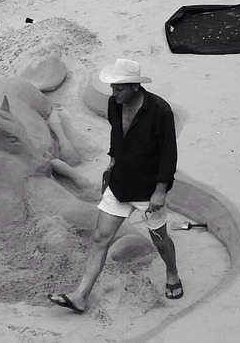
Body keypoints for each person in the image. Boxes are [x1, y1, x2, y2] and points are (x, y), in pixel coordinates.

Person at [48, 58, 182, 314]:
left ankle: (172, 273)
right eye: (112, 88)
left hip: (148, 188)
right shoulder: (114, 104)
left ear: (134, 87)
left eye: (119, 89)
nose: (113, 93)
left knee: (160, 239)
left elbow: (169, 153)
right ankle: (80, 296)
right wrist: (111, 162)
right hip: (120, 183)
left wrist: (161, 190)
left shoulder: (160, 112)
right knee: (100, 238)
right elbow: (116, 134)